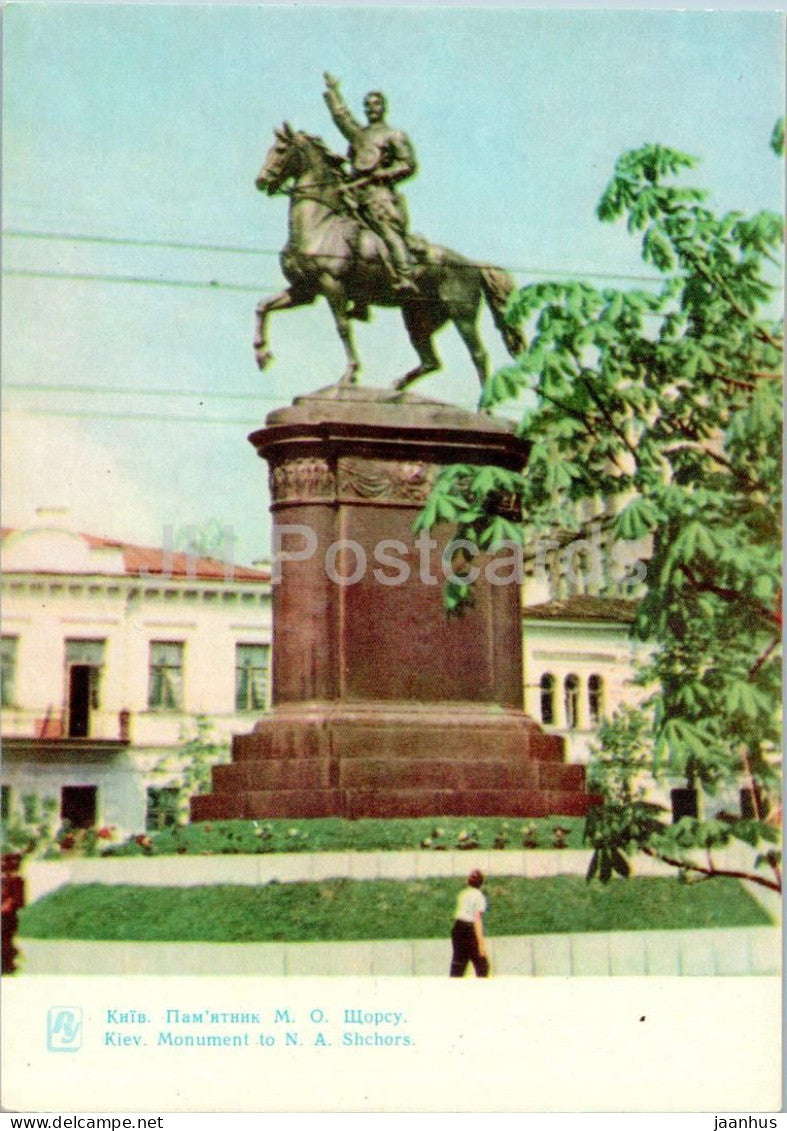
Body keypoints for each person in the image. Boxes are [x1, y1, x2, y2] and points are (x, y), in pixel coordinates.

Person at [323, 72, 419, 294]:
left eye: (375, 104)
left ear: (383, 107)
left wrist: (383, 174)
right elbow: (341, 116)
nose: (370, 108)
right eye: (366, 105)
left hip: (380, 196)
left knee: (386, 231)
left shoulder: (394, 135)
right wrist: (333, 91)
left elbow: (409, 164)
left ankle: (406, 275)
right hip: (354, 195)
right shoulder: (360, 134)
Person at [449, 868, 489, 977]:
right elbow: (477, 920)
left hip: (457, 927)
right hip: (469, 929)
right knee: (482, 964)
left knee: (458, 961)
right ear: (481, 883)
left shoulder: (463, 894)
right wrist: (481, 944)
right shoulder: (479, 896)